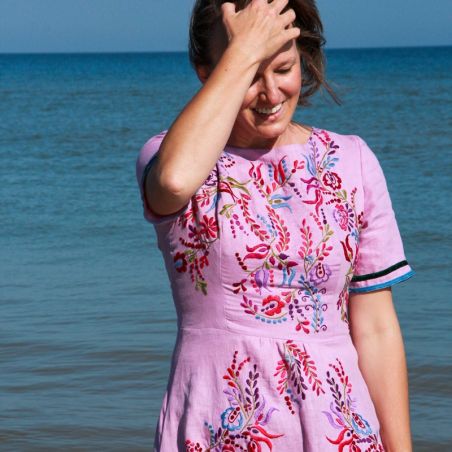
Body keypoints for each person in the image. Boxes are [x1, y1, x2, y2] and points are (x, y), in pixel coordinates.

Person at [135, 0, 415, 450]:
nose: (270, 94)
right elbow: (171, 181)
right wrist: (243, 49)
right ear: (208, 72)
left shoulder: (351, 161)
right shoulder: (167, 156)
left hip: (341, 429)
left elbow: (377, 328)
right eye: (248, 74)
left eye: (283, 68)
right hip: (220, 424)